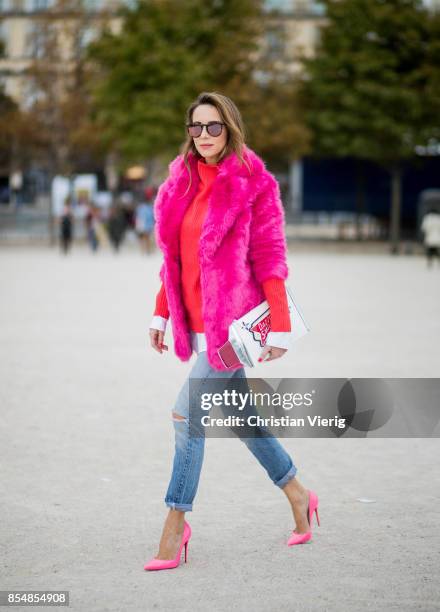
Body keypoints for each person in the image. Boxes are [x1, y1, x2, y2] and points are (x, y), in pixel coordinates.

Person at [145, 92, 320, 572]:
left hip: (233, 331)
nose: (203, 136)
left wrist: (279, 327)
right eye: (195, 127)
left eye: (214, 127)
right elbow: (172, 261)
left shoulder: (255, 184)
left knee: (186, 416)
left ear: (231, 129)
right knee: (244, 420)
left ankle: (176, 525)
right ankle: (299, 494)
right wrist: (162, 314)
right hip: (194, 323)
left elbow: (270, 258)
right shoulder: (177, 184)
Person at [135, 188, 155, 254]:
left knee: (144, 237)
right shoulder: (148, 207)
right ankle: (146, 250)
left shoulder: (141, 207)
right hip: (146, 223)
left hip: (144, 223)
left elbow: (138, 216)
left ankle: (144, 250)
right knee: (147, 238)